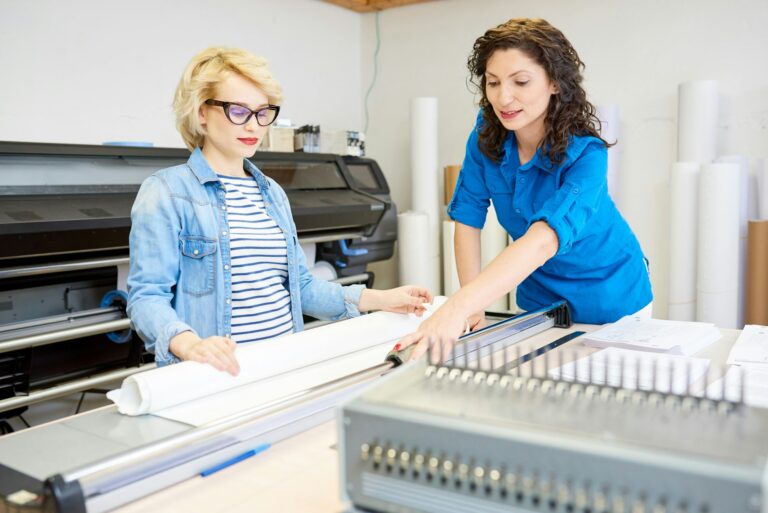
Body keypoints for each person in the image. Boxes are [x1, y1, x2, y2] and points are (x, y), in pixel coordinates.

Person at [127, 47, 432, 375]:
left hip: (282, 368)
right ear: (202, 112)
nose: (254, 126)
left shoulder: (272, 193)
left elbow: (302, 287)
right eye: (238, 111)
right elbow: (146, 298)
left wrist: (380, 299)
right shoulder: (166, 192)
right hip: (215, 376)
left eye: (262, 112)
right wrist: (190, 344)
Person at [400, 18, 652, 361]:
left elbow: (543, 239)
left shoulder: (587, 155)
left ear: (554, 83)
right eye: (492, 83)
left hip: (611, 295)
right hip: (541, 299)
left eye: (521, 81)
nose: (503, 98)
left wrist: (457, 307)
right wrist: (473, 304)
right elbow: (467, 218)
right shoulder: (486, 139)